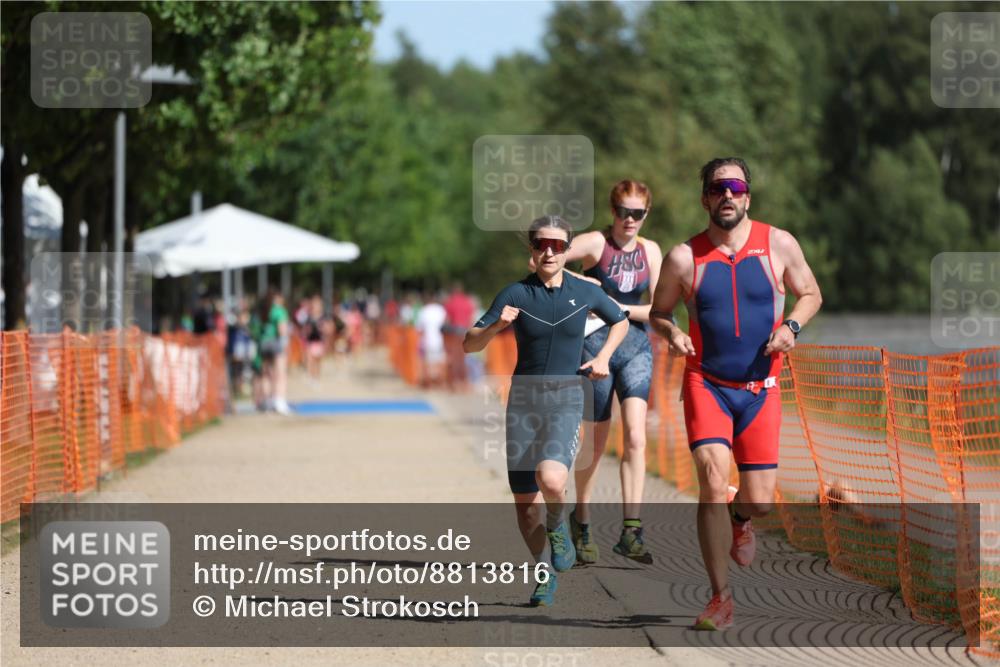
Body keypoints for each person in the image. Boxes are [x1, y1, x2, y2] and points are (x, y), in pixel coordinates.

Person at [649, 157, 822, 630]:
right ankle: (720, 598)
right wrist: (671, 334)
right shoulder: (684, 257)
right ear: (705, 197)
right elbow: (658, 312)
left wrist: (791, 326)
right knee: (709, 476)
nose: (728, 195)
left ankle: (741, 516)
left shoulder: (779, 244)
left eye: (736, 186)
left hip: (762, 389)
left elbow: (811, 294)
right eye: (717, 188)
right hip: (707, 383)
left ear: (747, 196)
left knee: (762, 499)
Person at [463, 215, 630, 607]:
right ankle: (543, 575)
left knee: (551, 480)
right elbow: (470, 344)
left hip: (567, 396)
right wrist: (494, 328)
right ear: (532, 249)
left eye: (557, 245)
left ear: (568, 249)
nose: (549, 251)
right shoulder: (515, 294)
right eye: (542, 244)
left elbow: (619, 321)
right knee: (524, 504)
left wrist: (604, 356)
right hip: (523, 402)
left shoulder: (584, 291)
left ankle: (559, 526)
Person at [562, 179, 663, 566]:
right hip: (593, 349)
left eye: (638, 213)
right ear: (613, 212)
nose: (630, 220)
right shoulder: (593, 243)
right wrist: (581, 284)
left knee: (636, 437)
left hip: (635, 348)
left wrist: (610, 305)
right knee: (596, 442)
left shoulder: (651, 250)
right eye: (624, 212)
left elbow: (656, 308)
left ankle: (631, 530)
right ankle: (582, 518)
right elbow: (542, 261)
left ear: (646, 214)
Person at [415, 291, 447, 387]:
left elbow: (419, 329)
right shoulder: (441, 310)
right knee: (441, 362)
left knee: (427, 362)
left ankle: (427, 383)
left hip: (428, 340)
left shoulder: (423, 311)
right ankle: (440, 382)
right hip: (440, 340)